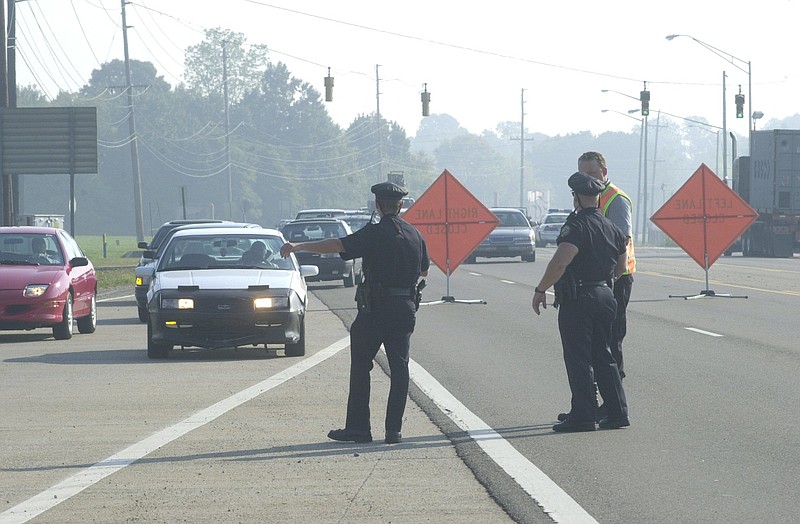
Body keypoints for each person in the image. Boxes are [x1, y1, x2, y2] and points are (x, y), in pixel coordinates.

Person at [280, 182, 429, 444]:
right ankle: (394, 431)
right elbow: (424, 270)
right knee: (400, 367)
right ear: (401, 205)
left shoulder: (375, 232)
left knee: (361, 366)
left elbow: (339, 245)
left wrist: (299, 247)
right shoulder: (415, 235)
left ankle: (359, 428)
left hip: (376, 309)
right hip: (405, 308)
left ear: (377, 205)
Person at [532, 172, 629, 432]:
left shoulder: (576, 226)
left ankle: (584, 414)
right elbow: (621, 267)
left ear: (576, 197)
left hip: (579, 298)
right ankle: (617, 411)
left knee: (579, 358)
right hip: (606, 295)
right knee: (604, 355)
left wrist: (541, 288)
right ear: (598, 198)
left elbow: (561, 261)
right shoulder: (612, 227)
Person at [578, 151, 636, 380]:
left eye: (591, 173)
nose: (587, 179)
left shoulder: (616, 199)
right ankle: (594, 402)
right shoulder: (585, 198)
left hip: (616, 279)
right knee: (592, 343)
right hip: (594, 281)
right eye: (582, 174)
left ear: (604, 172)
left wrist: (610, 277)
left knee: (610, 341)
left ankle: (613, 404)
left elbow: (622, 240)